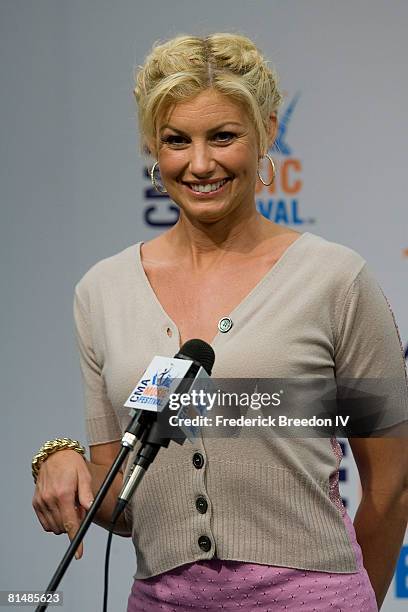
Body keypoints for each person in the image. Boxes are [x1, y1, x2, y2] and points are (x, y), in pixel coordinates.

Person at [32, 33, 408, 611]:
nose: (200, 163)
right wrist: (62, 461)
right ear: (152, 148)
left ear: (267, 131)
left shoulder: (336, 280)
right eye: (176, 140)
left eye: (223, 137)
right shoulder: (102, 292)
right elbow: (123, 499)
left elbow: (391, 487)